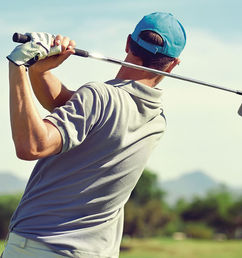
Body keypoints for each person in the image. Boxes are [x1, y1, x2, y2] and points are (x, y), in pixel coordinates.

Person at [2, 12, 186, 258]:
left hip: (40, 246)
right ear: (173, 64)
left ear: (128, 43)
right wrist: (40, 72)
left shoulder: (99, 96)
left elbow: (32, 145)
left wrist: (19, 67)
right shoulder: (156, 120)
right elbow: (72, 107)